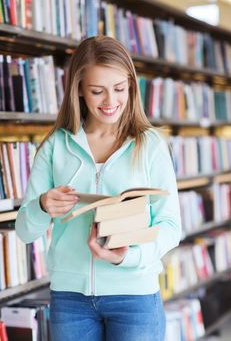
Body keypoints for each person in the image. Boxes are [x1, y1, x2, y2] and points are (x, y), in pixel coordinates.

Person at [15, 35, 182, 341]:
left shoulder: (150, 145)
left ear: (131, 86)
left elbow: (170, 226)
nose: (110, 102)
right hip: (70, 300)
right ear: (78, 89)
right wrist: (41, 206)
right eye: (97, 91)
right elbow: (26, 232)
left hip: (135, 298)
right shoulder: (55, 147)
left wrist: (125, 257)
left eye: (119, 89)